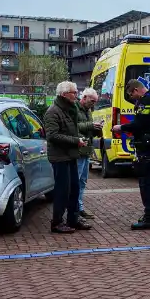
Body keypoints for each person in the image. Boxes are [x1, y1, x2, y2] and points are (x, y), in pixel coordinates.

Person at [112, 78, 150, 230]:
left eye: (131, 95)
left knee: (146, 182)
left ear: (136, 90)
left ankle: (149, 217)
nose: (132, 98)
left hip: (147, 145)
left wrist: (121, 127)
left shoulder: (145, 102)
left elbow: (138, 125)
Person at [44, 81, 92, 234]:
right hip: (60, 157)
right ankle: (57, 222)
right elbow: (53, 136)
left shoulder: (69, 110)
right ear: (64, 94)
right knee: (62, 190)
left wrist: (79, 139)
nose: (76, 96)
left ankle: (73, 219)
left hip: (70, 155)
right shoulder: (53, 112)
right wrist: (75, 141)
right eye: (74, 93)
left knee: (74, 189)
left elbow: (72, 131)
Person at [75, 87, 103, 219]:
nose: (93, 104)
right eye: (92, 101)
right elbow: (74, 127)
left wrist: (97, 129)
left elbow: (86, 126)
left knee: (83, 181)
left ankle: (79, 207)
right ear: (84, 97)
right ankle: (75, 208)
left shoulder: (87, 111)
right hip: (78, 150)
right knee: (77, 180)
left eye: (95, 102)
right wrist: (91, 126)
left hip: (86, 150)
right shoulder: (75, 109)